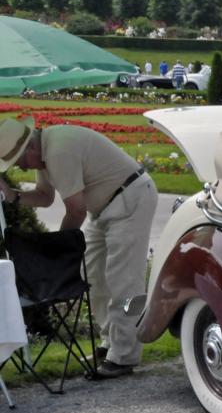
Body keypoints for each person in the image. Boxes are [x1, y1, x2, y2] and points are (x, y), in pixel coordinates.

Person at [0, 117, 158, 378]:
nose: (22, 167)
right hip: (106, 207)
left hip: (130, 201)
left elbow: (75, 211)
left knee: (124, 281)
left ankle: (124, 356)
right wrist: (12, 195)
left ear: (29, 147)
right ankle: (110, 344)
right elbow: (44, 197)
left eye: (19, 161)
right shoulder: (44, 149)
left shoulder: (59, 151)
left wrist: (59, 251)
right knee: (92, 276)